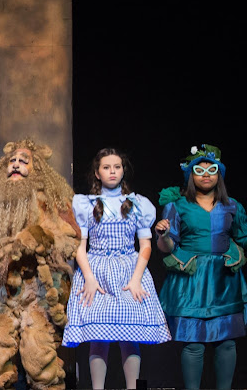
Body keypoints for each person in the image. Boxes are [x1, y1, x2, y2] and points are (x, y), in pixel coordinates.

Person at [0, 138, 81, 390]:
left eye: (23, 161)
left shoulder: (50, 202)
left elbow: (70, 238)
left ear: (36, 169)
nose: (16, 164)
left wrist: (40, 237)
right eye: (12, 161)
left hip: (38, 289)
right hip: (3, 287)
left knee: (38, 349)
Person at [155, 144, 247, 389]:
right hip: (192, 281)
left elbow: (246, 239)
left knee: (226, 342)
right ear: (190, 175)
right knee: (193, 342)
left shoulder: (232, 206)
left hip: (223, 280)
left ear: (220, 175)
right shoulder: (178, 206)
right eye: (199, 170)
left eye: (212, 170)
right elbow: (167, 247)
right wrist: (163, 235)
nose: (206, 175)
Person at [62, 147, 171, 390]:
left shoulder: (138, 204)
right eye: (106, 167)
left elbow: (145, 246)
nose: (112, 171)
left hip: (128, 270)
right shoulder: (86, 204)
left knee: (130, 337)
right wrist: (89, 278)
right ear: (97, 173)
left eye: (117, 167)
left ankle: (133, 387)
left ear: (123, 171)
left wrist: (136, 279)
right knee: (98, 337)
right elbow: (80, 246)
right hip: (96, 270)